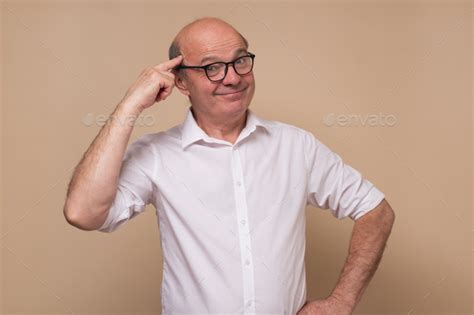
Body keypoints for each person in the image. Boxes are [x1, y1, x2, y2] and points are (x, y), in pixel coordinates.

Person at [63, 17, 395, 315]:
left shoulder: (296, 146)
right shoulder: (156, 155)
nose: (232, 77)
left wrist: (342, 301)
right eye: (212, 67)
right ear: (181, 82)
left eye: (240, 61)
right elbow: (83, 213)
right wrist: (131, 104)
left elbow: (376, 211)